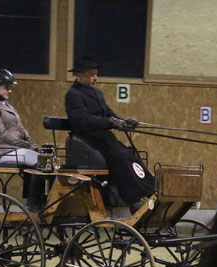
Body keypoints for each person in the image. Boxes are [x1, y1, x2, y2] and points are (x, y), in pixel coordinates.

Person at [64, 56, 154, 214]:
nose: (95, 78)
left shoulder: (97, 93)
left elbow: (109, 113)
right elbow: (83, 119)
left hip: (104, 137)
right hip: (88, 138)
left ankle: (150, 190)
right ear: (79, 75)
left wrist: (123, 122)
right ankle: (133, 199)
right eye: (92, 74)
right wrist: (111, 122)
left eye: (96, 74)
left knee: (130, 154)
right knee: (120, 157)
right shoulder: (73, 94)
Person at [0, 69, 46, 212]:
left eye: (10, 88)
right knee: (42, 163)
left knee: (48, 161)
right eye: (7, 88)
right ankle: (33, 204)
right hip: (5, 151)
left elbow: (21, 129)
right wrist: (26, 145)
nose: (10, 91)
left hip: (18, 149)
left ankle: (44, 200)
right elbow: (2, 134)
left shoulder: (8, 106)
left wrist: (32, 143)